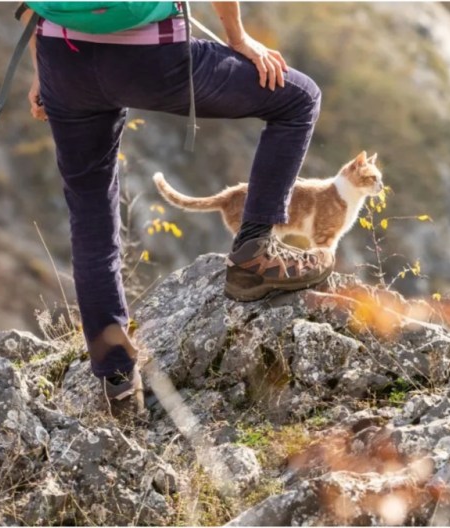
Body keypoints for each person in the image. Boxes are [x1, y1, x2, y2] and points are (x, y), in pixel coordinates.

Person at [25, 2, 335, 418]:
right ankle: (254, 254)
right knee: (299, 99)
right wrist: (239, 39)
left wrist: (41, 70)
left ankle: (117, 383)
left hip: (63, 59)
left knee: (90, 215)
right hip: (152, 60)